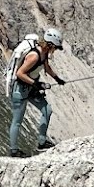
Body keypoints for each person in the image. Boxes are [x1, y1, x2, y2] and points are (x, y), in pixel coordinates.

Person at [8, 27, 66, 157]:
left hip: (31, 89)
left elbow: (46, 67)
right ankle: (13, 150)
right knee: (17, 120)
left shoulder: (44, 54)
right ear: (50, 45)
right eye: (55, 47)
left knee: (47, 110)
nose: (55, 50)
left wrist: (57, 78)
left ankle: (41, 142)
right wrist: (37, 84)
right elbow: (20, 73)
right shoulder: (34, 56)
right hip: (20, 89)